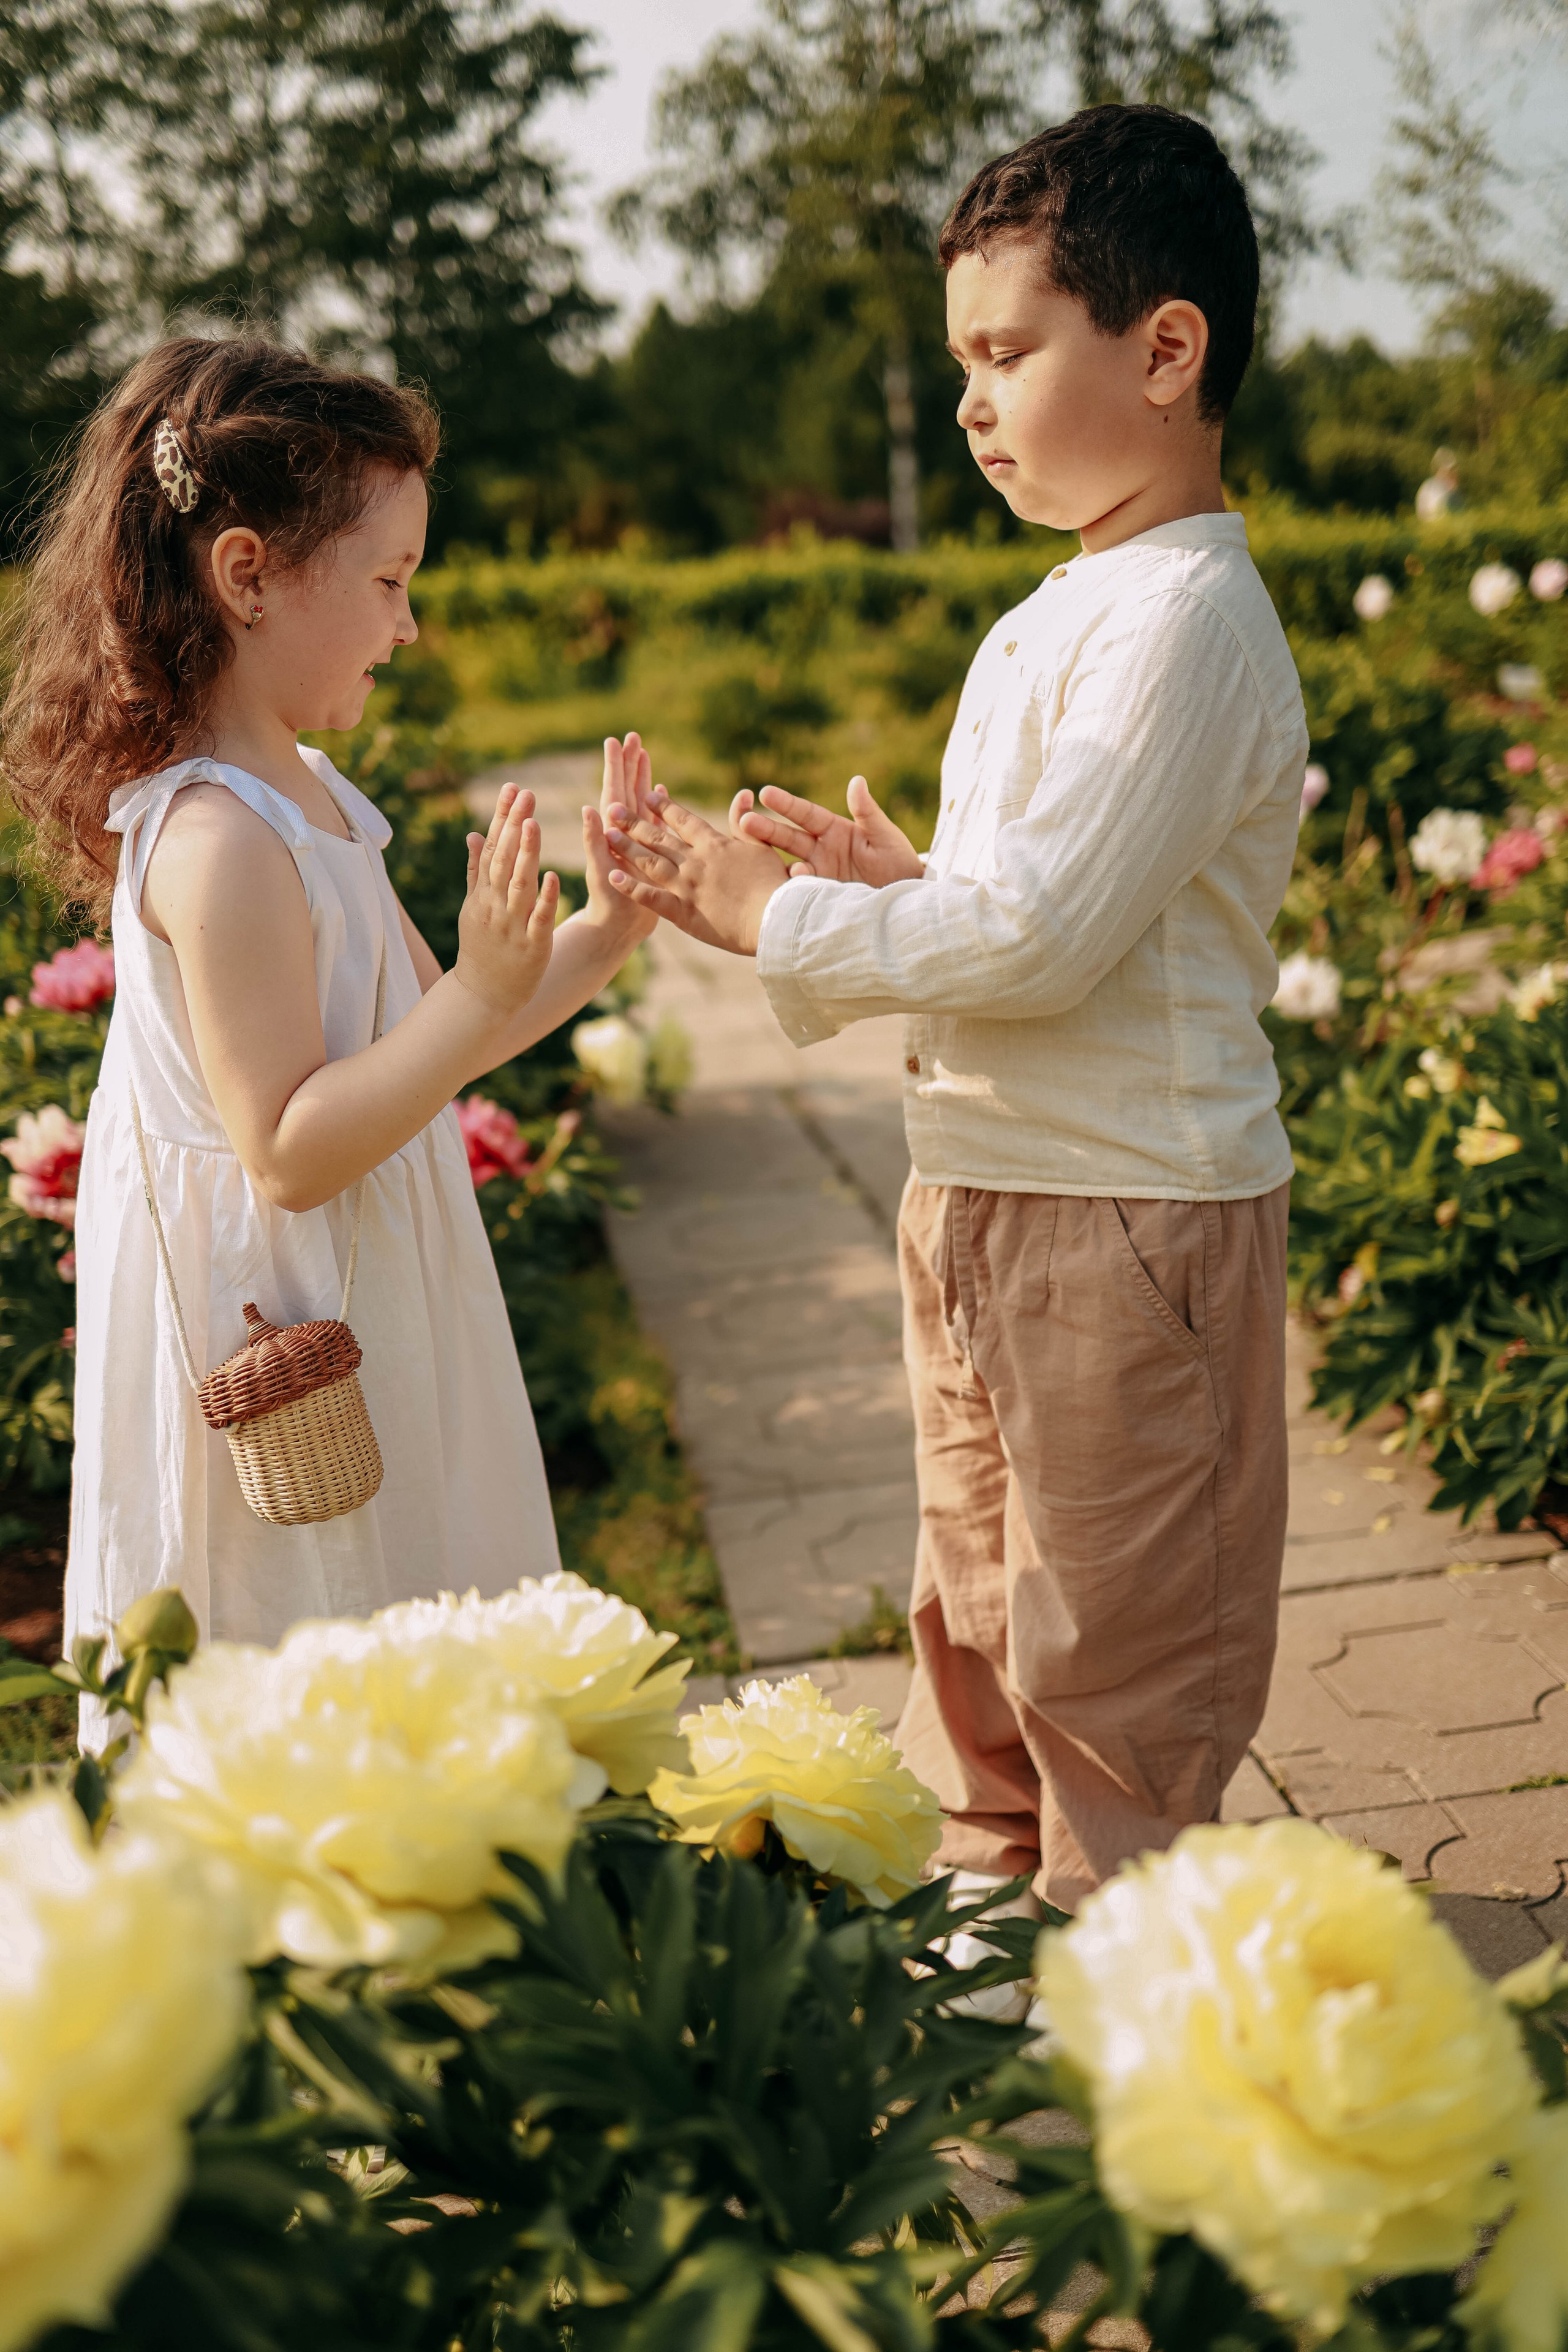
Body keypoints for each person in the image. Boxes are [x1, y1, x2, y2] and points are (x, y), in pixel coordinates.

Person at [601, 105, 1309, 1933]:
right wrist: (893, 885)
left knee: (1119, 1621)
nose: (978, 402)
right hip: (982, 1184)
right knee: (979, 1581)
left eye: (1006, 354)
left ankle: (1113, 1934)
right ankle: (998, 1874)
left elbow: (1053, 937)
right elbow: (1026, 909)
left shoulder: (1187, 624)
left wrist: (786, 916)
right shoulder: (1066, 608)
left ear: (1167, 351)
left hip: (1129, 1212)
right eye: (962, 366)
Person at [1, 334, 654, 1724]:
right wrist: (473, 997)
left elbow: (442, 1038)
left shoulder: (317, 802)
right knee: (302, 1653)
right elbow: (289, 1150)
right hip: (285, 1335)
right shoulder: (216, 839)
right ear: (247, 577)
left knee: (414, 1591)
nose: (407, 624)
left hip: (374, 1306)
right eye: (387, 582)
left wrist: (603, 928)